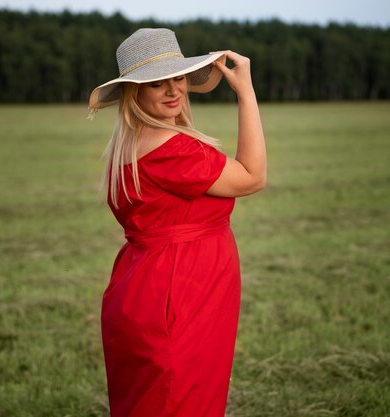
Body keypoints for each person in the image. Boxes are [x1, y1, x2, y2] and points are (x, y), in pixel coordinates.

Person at [88, 28, 266, 417]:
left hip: (148, 290)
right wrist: (247, 93)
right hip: (181, 296)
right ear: (135, 92)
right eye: (157, 83)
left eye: (179, 77)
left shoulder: (129, 145)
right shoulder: (174, 149)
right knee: (180, 402)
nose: (173, 90)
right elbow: (253, 175)